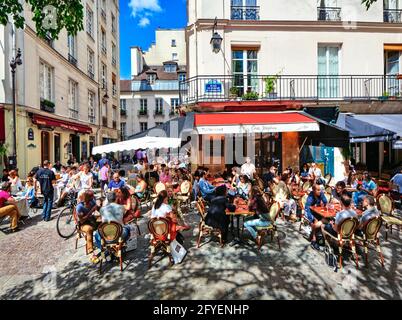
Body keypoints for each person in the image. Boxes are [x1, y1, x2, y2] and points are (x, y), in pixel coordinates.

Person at [76, 190, 101, 254]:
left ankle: (104, 242)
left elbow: (97, 208)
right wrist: (91, 211)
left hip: (92, 221)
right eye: (92, 196)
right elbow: (82, 220)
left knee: (103, 224)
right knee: (89, 229)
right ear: (88, 197)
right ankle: (90, 248)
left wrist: (98, 206)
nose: (93, 197)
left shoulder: (92, 201)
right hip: (83, 224)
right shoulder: (80, 207)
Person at [304, 184, 328, 250]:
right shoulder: (310, 197)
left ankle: (319, 237)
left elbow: (325, 201)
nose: (319, 191)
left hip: (318, 211)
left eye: (320, 189)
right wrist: (311, 218)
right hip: (310, 212)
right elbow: (307, 208)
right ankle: (314, 238)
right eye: (318, 190)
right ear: (313, 191)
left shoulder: (321, 193)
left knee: (326, 219)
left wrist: (324, 203)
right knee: (315, 220)